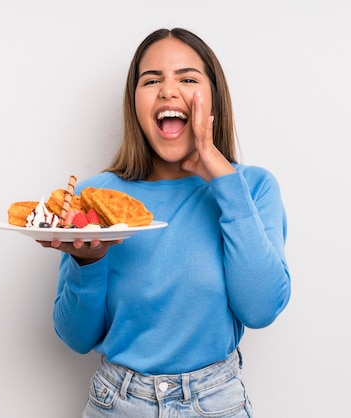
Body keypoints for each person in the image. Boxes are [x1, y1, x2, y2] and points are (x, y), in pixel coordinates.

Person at [39, 27, 291, 418]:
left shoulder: (252, 188)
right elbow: (76, 337)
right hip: (116, 404)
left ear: (213, 100)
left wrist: (226, 184)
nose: (168, 91)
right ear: (134, 101)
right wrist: (86, 263)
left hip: (216, 403)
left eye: (187, 79)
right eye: (151, 80)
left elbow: (259, 310)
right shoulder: (94, 199)